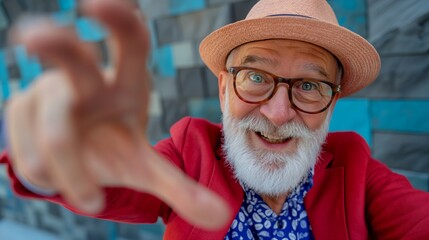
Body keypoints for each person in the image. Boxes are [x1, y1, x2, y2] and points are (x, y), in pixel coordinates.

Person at [1, 0, 429, 239]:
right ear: (224, 88)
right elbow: (121, 181)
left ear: (332, 105)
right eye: (256, 77)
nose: (278, 113)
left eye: (310, 86)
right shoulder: (190, 152)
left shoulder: (357, 168)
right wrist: (57, 162)